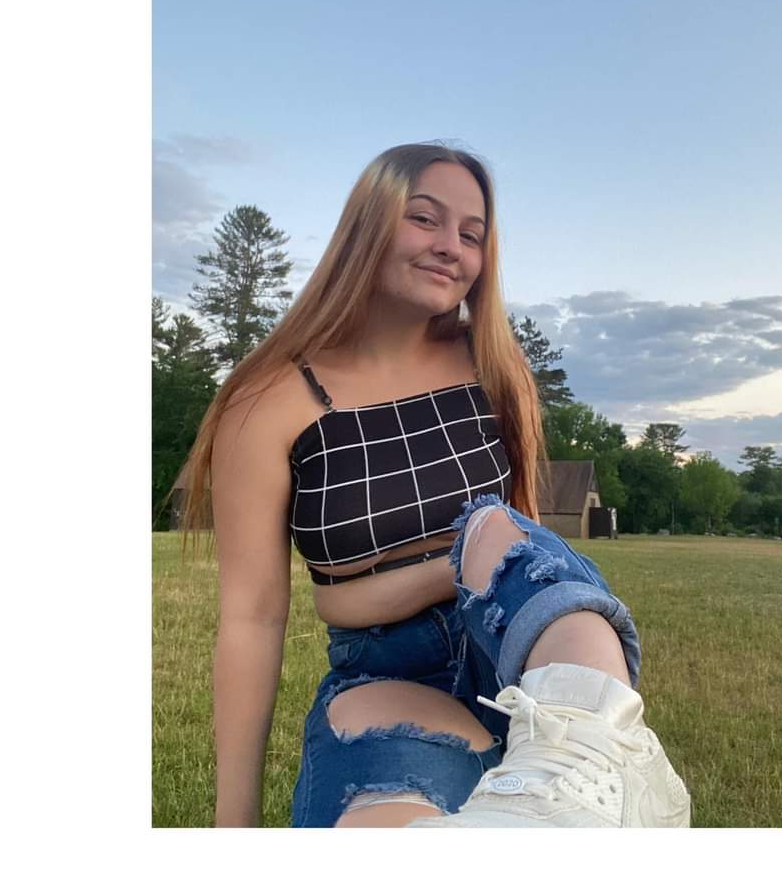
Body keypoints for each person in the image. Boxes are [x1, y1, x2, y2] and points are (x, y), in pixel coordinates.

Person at [178, 142, 691, 828]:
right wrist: (231, 827)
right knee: (382, 817)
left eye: (472, 235)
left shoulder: (492, 366)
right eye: (424, 218)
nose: (451, 246)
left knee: (497, 531)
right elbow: (253, 616)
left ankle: (593, 751)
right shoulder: (269, 400)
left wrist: (351, 593)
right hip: (393, 670)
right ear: (367, 224)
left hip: (519, 642)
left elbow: (522, 545)